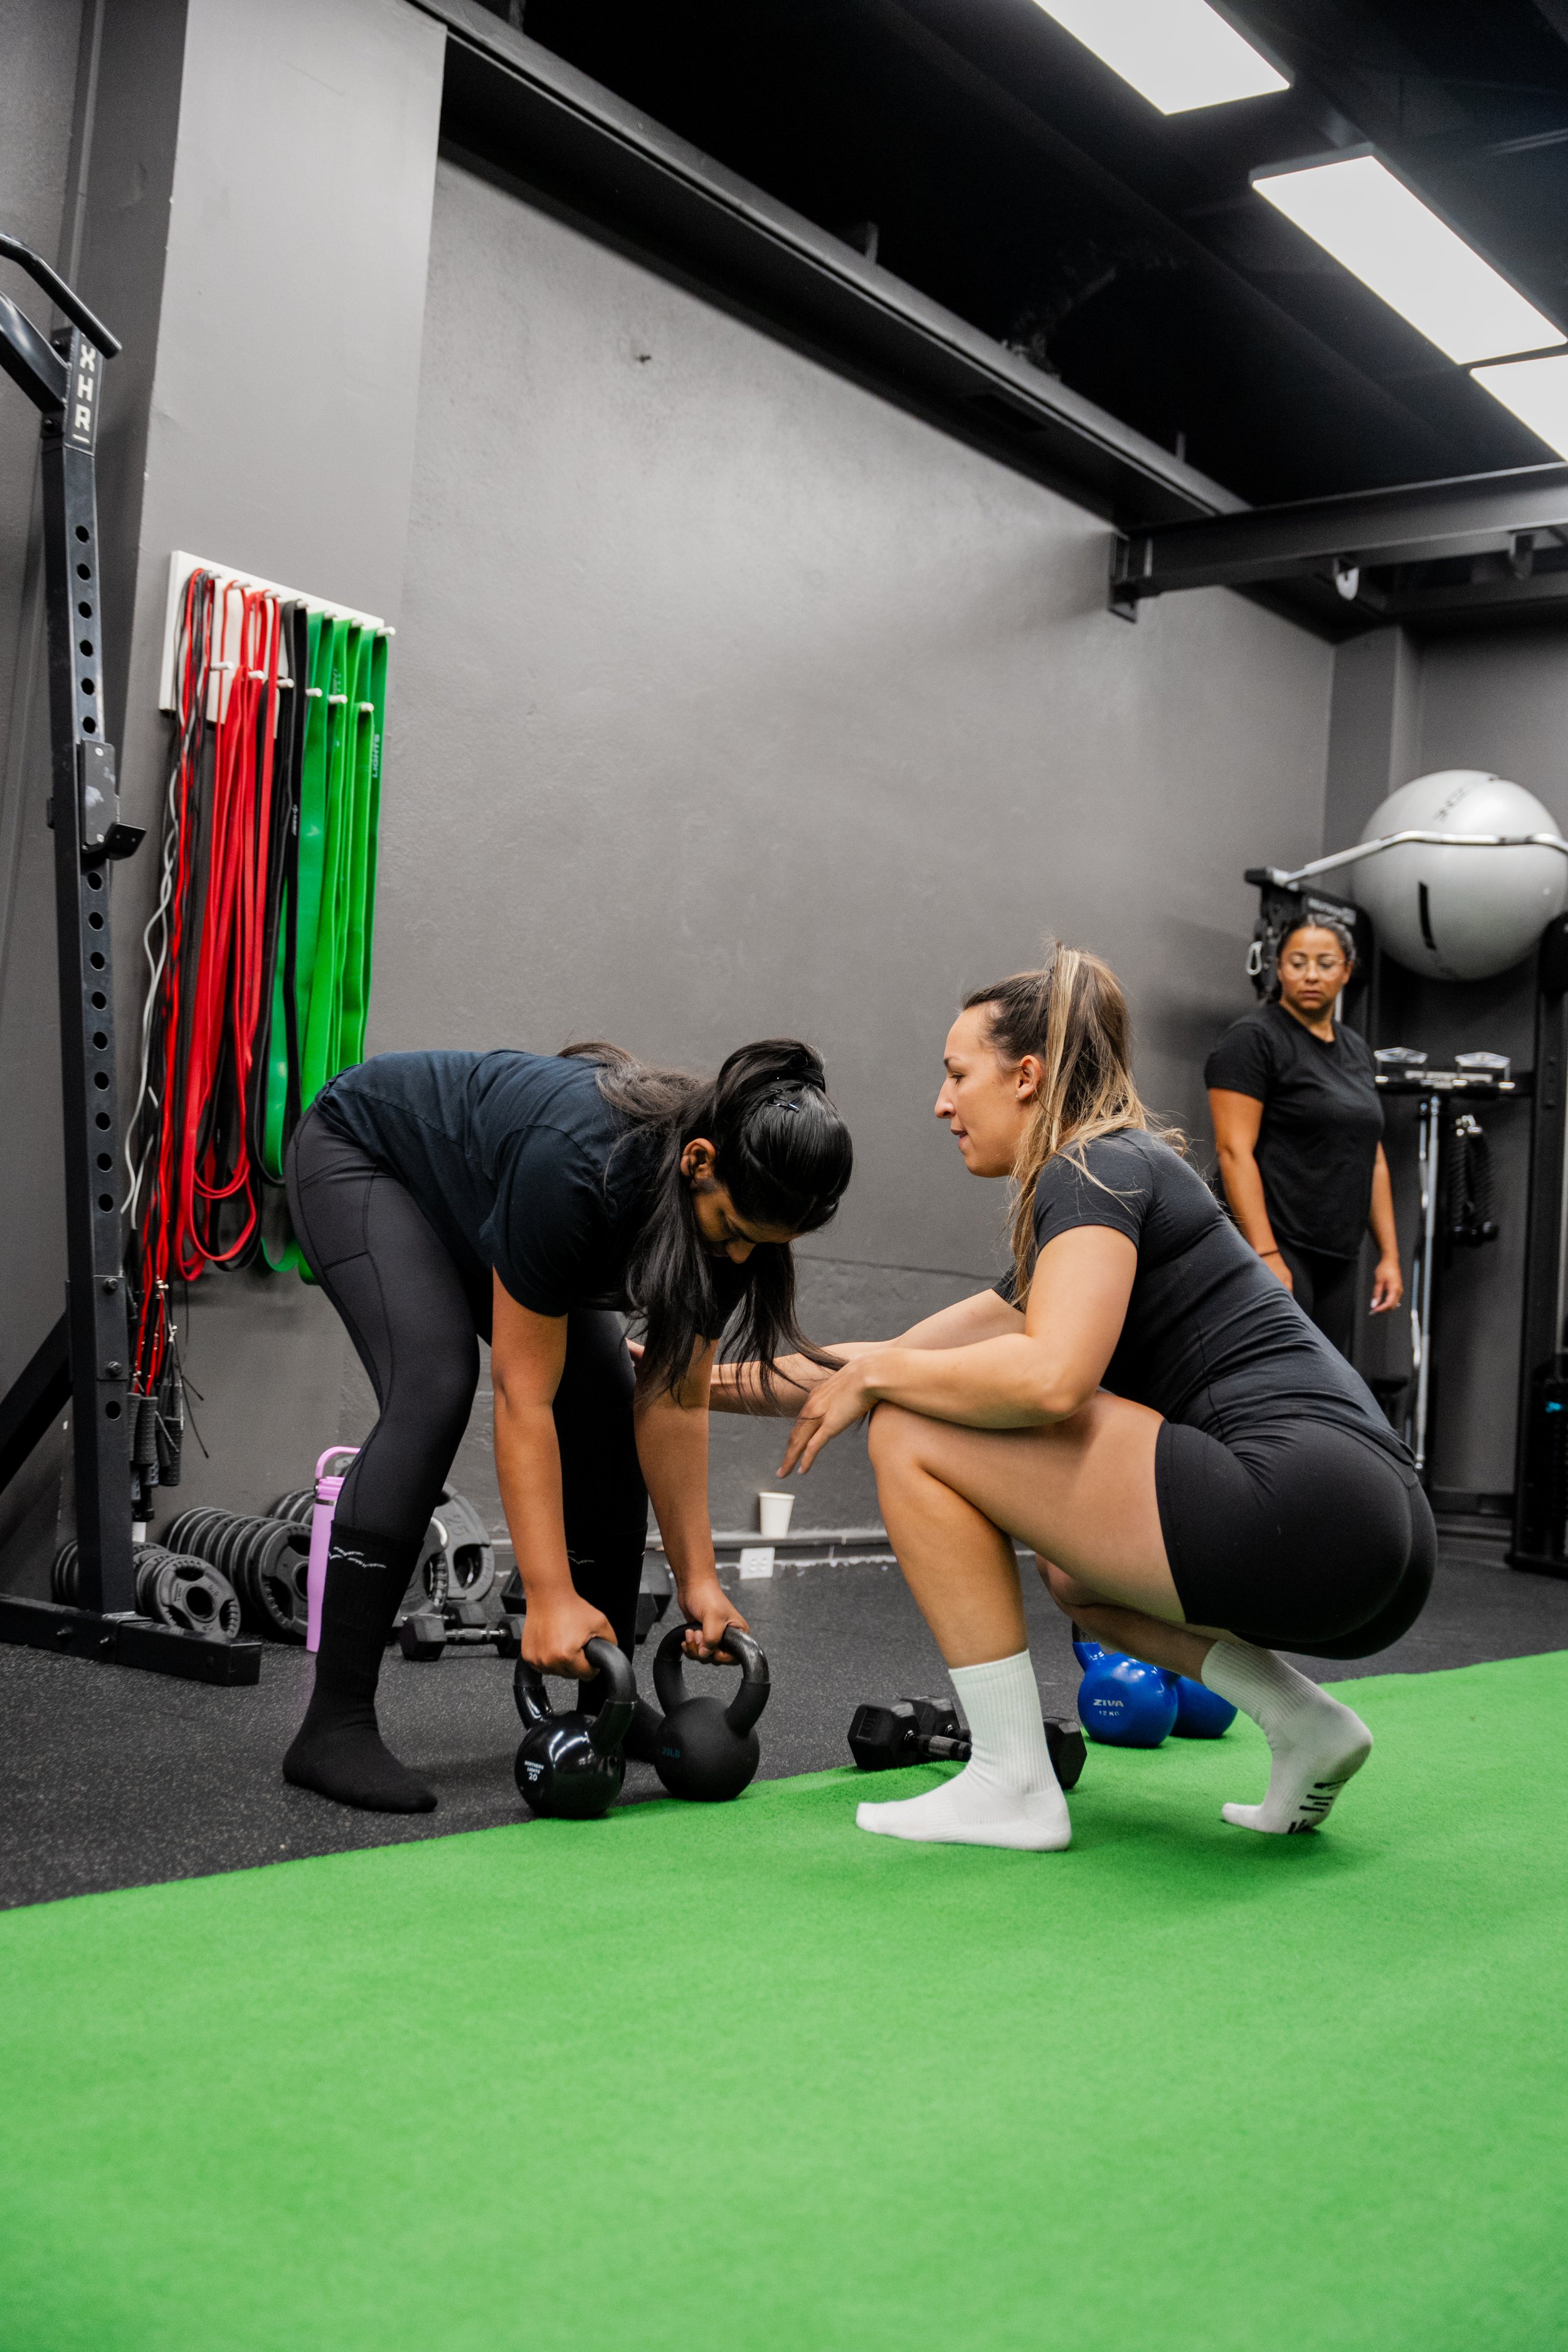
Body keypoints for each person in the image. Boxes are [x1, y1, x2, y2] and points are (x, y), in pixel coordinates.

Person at [714, 948, 1434, 1855]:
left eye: (956, 1073)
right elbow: (878, 1358)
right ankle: (1307, 1723)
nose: (942, 1103)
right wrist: (684, 1383)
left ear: (1027, 1075)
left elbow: (1050, 1380)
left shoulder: (1092, 1168)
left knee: (908, 1423)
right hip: (1375, 1543)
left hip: (1304, 1500)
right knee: (1077, 1575)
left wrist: (879, 1382)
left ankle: (1011, 1780)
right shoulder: (1106, 1191)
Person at [282, 1037, 852, 1814]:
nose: (741, 1253)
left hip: (484, 1195)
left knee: (611, 1398)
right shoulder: (578, 1162)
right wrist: (548, 1592)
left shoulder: (735, 1219)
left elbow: (674, 1399)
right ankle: (332, 1725)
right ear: (698, 1161)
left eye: (762, 1244)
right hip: (364, 1156)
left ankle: (602, 1707)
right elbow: (524, 1399)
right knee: (435, 1384)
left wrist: (700, 1583)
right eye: (730, 1229)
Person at [1206, 913, 1402, 1355]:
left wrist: (1388, 1254)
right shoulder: (1252, 1040)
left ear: (1347, 971)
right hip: (1279, 1242)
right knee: (1273, 1378)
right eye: (1297, 962)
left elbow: (1372, 1156)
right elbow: (1234, 1151)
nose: (1311, 974)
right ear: (1280, 969)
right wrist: (1266, 1254)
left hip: (1338, 1253)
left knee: (1326, 1384)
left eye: (1326, 963)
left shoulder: (1356, 1050)